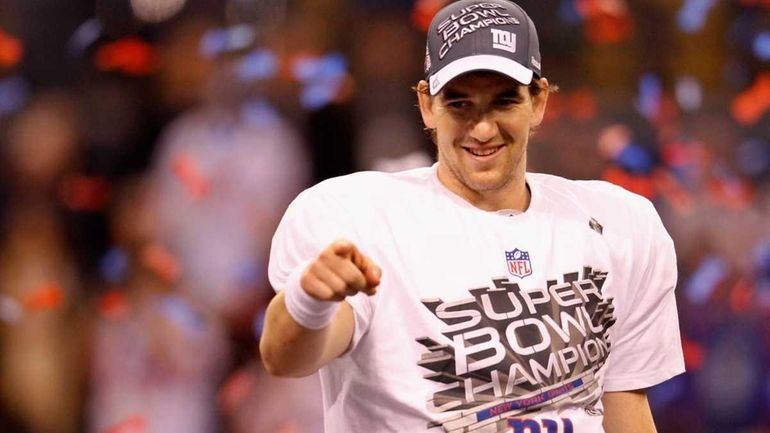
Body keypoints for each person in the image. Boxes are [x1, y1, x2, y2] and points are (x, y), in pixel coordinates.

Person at [260, 1, 685, 432]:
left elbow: (626, 407)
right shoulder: (359, 218)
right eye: (460, 104)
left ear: (538, 101)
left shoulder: (620, 225)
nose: (482, 129)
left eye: (503, 102)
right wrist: (309, 300)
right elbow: (285, 357)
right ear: (427, 105)